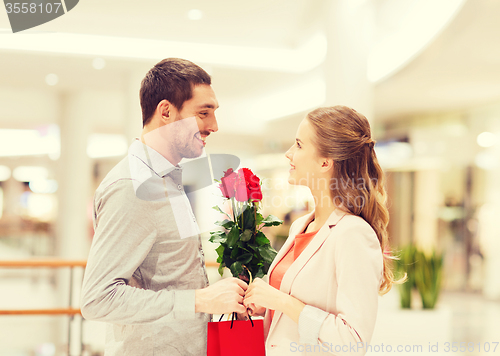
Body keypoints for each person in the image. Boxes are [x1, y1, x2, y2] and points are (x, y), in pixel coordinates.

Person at [81, 58, 248, 356]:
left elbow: (175, 275)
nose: (214, 125)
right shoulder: (131, 187)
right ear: (166, 111)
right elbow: (98, 299)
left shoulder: (167, 179)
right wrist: (200, 300)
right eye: (203, 113)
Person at [243, 106, 396, 355]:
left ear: (325, 162)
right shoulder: (300, 227)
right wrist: (264, 307)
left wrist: (281, 301)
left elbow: (352, 342)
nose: (289, 154)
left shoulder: (353, 234)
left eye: (299, 145)